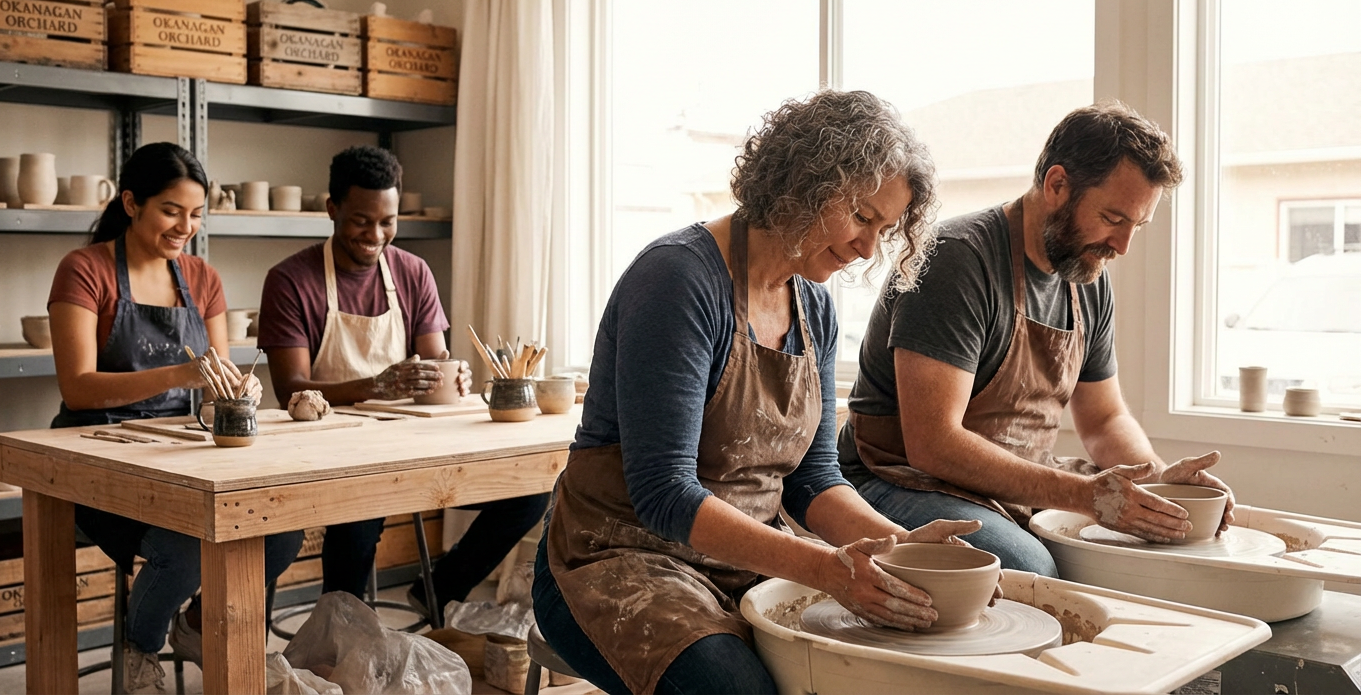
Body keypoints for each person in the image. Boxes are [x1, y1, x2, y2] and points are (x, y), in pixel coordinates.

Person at [533, 91, 998, 695]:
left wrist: (900, 548)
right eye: (862, 217)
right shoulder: (678, 279)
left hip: (745, 561)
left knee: (865, 669)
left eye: (884, 231)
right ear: (804, 183)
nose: (868, 248)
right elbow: (663, 494)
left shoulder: (815, 307)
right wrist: (825, 568)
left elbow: (814, 480)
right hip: (616, 557)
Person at [839, 101, 1236, 577]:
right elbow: (933, 443)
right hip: (898, 477)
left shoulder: (1087, 276)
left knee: (1153, 544)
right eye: (1113, 219)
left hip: (1010, 482)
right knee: (1031, 566)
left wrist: (1159, 486)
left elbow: (1105, 420)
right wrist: (1083, 495)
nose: (1123, 246)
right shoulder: (957, 260)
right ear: (1057, 185)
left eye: (1137, 225)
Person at [47, 142, 304, 694]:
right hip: (96, 450)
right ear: (131, 203)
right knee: (185, 546)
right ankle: (140, 646)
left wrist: (236, 392)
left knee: (281, 531)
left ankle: (195, 627)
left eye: (196, 214)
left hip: (177, 445)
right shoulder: (85, 270)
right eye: (171, 211)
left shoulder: (202, 278)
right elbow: (78, 387)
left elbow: (213, 386)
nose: (186, 227)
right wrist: (178, 375)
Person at [257, 145, 548, 624]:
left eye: (387, 222)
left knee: (529, 492)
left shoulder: (412, 272)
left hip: (409, 443)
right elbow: (292, 388)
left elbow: (435, 359)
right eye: (361, 221)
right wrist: (376, 385)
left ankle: (439, 588)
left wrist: (451, 375)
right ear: (331, 209)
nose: (376, 235)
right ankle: (339, 634)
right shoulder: (291, 280)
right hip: (327, 449)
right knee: (361, 506)